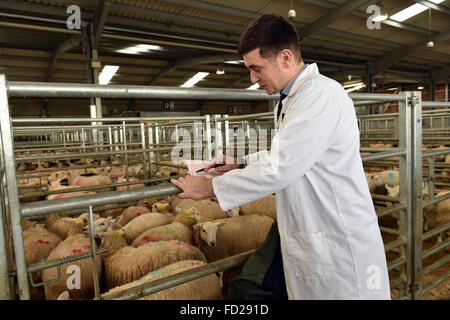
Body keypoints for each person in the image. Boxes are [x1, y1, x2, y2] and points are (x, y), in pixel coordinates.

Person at [171, 14, 390, 300]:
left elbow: (281, 166)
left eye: (256, 68)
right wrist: (241, 163)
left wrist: (209, 187)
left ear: (285, 57)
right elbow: (288, 153)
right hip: (315, 233)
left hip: (339, 243)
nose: (252, 78)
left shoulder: (320, 95)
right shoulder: (291, 100)